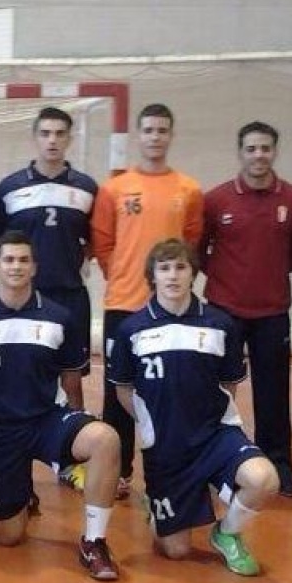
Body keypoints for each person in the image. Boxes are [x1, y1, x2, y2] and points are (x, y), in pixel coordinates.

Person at [0, 231, 123, 581]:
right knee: (9, 538)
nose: (16, 266)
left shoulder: (59, 317)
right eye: (9, 260)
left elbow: (71, 381)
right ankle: (21, 493)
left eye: (24, 260)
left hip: (46, 421)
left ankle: (94, 541)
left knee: (105, 439)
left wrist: (79, 424)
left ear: (34, 266)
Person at [107, 238, 278, 576]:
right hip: (167, 448)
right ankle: (159, 511)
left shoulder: (220, 324)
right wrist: (151, 424)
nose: (173, 276)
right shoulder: (132, 329)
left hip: (216, 436)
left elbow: (229, 384)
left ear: (193, 274)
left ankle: (227, 533)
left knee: (264, 480)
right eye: (164, 268)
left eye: (181, 267)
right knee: (176, 551)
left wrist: (220, 420)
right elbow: (123, 390)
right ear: (152, 276)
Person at [90, 103, 204, 501]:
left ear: (171, 135)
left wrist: (170, 286)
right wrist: (123, 275)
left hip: (170, 310)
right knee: (117, 392)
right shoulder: (114, 188)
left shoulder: (188, 189)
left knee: (170, 389)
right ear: (138, 135)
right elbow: (102, 243)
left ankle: (176, 463)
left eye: (162, 130)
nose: (155, 137)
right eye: (149, 130)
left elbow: (190, 244)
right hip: (123, 303)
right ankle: (119, 471)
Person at [0, 107, 99, 495]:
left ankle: (71, 461)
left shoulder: (87, 188)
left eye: (60, 133)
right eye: (46, 133)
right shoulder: (8, 189)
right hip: (24, 302)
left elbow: (95, 241)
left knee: (72, 380)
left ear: (69, 138)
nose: (52, 140)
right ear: (35, 138)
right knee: (22, 383)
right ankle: (17, 466)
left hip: (69, 296)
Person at [200, 121, 292, 498]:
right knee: (218, 393)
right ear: (240, 153)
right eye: (251, 148)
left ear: (275, 151)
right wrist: (227, 282)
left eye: (265, 148)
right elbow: (198, 252)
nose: (258, 155)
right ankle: (215, 466)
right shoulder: (215, 200)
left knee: (273, 395)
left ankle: (279, 469)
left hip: (272, 313)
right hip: (223, 311)